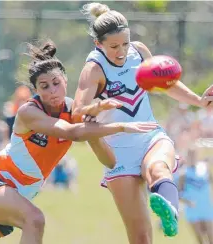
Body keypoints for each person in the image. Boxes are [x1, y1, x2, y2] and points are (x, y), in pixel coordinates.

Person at [0, 40, 158, 244]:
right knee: (34, 220)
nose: (52, 91)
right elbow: (73, 133)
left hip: (17, 193)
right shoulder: (29, 112)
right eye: (44, 86)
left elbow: (110, 161)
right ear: (36, 90)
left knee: (31, 220)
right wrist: (120, 127)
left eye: (56, 83)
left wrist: (93, 130)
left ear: (66, 81)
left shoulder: (74, 110)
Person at [72, 3, 213, 243]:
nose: (121, 51)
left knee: (158, 170)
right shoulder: (94, 69)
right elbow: (77, 112)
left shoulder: (138, 51)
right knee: (140, 237)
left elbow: (166, 84)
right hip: (117, 153)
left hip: (151, 137)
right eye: (114, 46)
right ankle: (167, 207)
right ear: (99, 44)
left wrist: (199, 102)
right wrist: (97, 107)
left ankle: (169, 210)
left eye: (125, 43)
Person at [178, 150, 213, 244]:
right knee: (200, 239)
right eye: (190, 156)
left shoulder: (204, 170)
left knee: (211, 237)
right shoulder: (183, 174)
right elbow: (178, 194)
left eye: (194, 155)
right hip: (192, 210)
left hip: (206, 208)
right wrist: (188, 202)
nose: (193, 158)